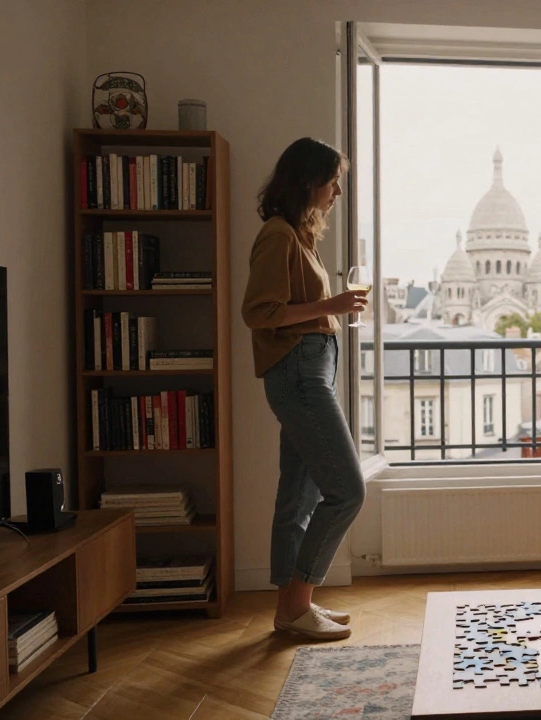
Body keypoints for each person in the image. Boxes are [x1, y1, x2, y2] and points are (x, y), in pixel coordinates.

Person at [241, 137, 368, 641]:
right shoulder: (277, 236)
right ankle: (298, 602)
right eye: (333, 179)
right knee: (347, 491)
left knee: (298, 496)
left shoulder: (298, 235)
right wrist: (330, 308)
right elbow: (259, 312)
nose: (338, 190)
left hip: (308, 371)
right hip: (299, 373)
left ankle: (289, 609)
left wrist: (329, 310)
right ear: (309, 180)